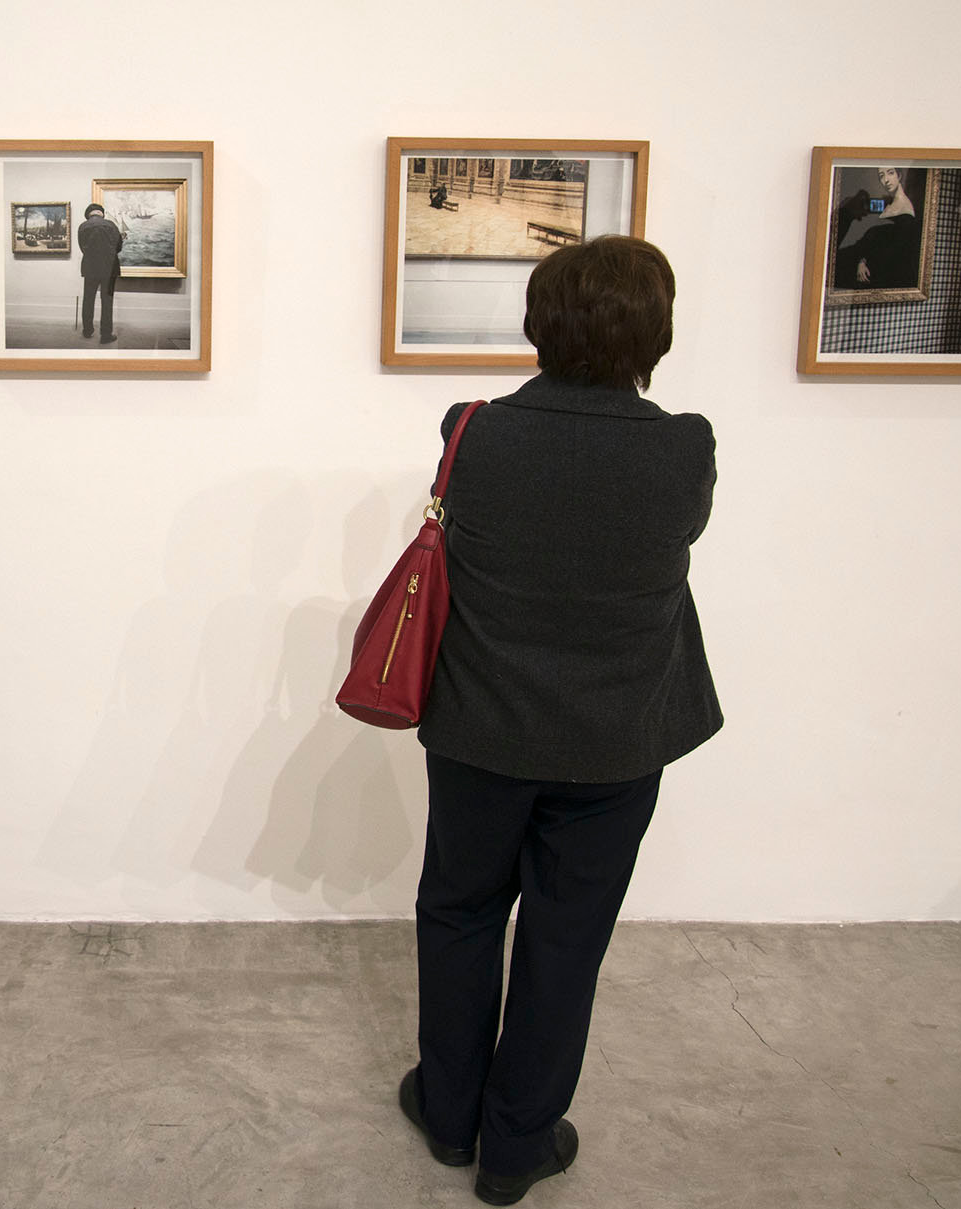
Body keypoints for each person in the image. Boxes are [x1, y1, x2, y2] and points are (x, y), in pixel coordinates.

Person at [397, 236, 723, 1204]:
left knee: (459, 912)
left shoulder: (473, 430)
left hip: (479, 729)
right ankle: (516, 1146)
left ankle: (447, 1114)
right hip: (614, 741)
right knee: (565, 937)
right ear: (655, 333)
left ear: (538, 323)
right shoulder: (684, 446)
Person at [833, 165, 921, 290]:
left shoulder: (904, 210)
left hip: (873, 270)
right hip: (860, 256)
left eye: (890, 173)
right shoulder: (888, 203)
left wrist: (863, 261)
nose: (886, 180)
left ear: (899, 175)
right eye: (881, 176)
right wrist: (862, 260)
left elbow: (890, 251)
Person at [77, 202, 122, 343]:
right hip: (109, 268)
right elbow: (119, 247)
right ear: (101, 213)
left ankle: (87, 330)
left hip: (90, 267)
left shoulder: (83, 226)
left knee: (88, 299)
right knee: (107, 300)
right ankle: (106, 335)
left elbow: (82, 247)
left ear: (88, 214)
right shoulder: (111, 225)